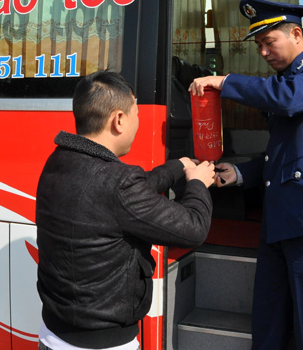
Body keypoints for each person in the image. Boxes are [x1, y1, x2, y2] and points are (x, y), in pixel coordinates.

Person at [189, 0, 303, 350]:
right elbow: (282, 155)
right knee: (267, 325)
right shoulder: (285, 82)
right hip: (279, 219)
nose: (263, 52)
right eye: (259, 45)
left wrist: (225, 80)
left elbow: (290, 98)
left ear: (296, 33)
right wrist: (239, 173)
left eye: (268, 42)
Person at [36, 70, 215, 350]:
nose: (138, 121)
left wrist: (178, 166)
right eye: (137, 113)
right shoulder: (117, 184)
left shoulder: (59, 161)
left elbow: (124, 194)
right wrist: (198, 185)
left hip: (53, 335)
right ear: (119, 120)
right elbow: (193, 229)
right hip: (103, 344)